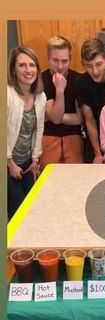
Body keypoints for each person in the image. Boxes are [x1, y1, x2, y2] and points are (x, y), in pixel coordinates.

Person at [7, 46, 46, 220]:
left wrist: (35, 160)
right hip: (8, 164)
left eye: (32, 65)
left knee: (31, 211)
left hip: (27, 163)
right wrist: (10, 163)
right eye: (22, 65)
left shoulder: (40, 96)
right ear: (14, 70)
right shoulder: (7, 94)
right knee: (17, 213)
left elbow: (39, 129)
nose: (28, 70)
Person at [40, 36, 83, 170]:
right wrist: (60, 89)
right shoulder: (41, 80)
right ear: (48, 57)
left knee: (76, 181)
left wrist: (50, 116)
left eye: (64, 61)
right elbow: (57, 118)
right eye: (55, 60)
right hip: (48, 138)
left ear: (70, 59)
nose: (60, 66)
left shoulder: (79, 80)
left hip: (73, 138)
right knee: (49, 183)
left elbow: (79, 118)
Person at [77, 38, 105, 163]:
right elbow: (89, 120)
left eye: (98, 64)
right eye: (89, 66)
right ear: (83, 64)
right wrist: (98, 153)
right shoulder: (81, 83)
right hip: (93, 143)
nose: (94, 71)